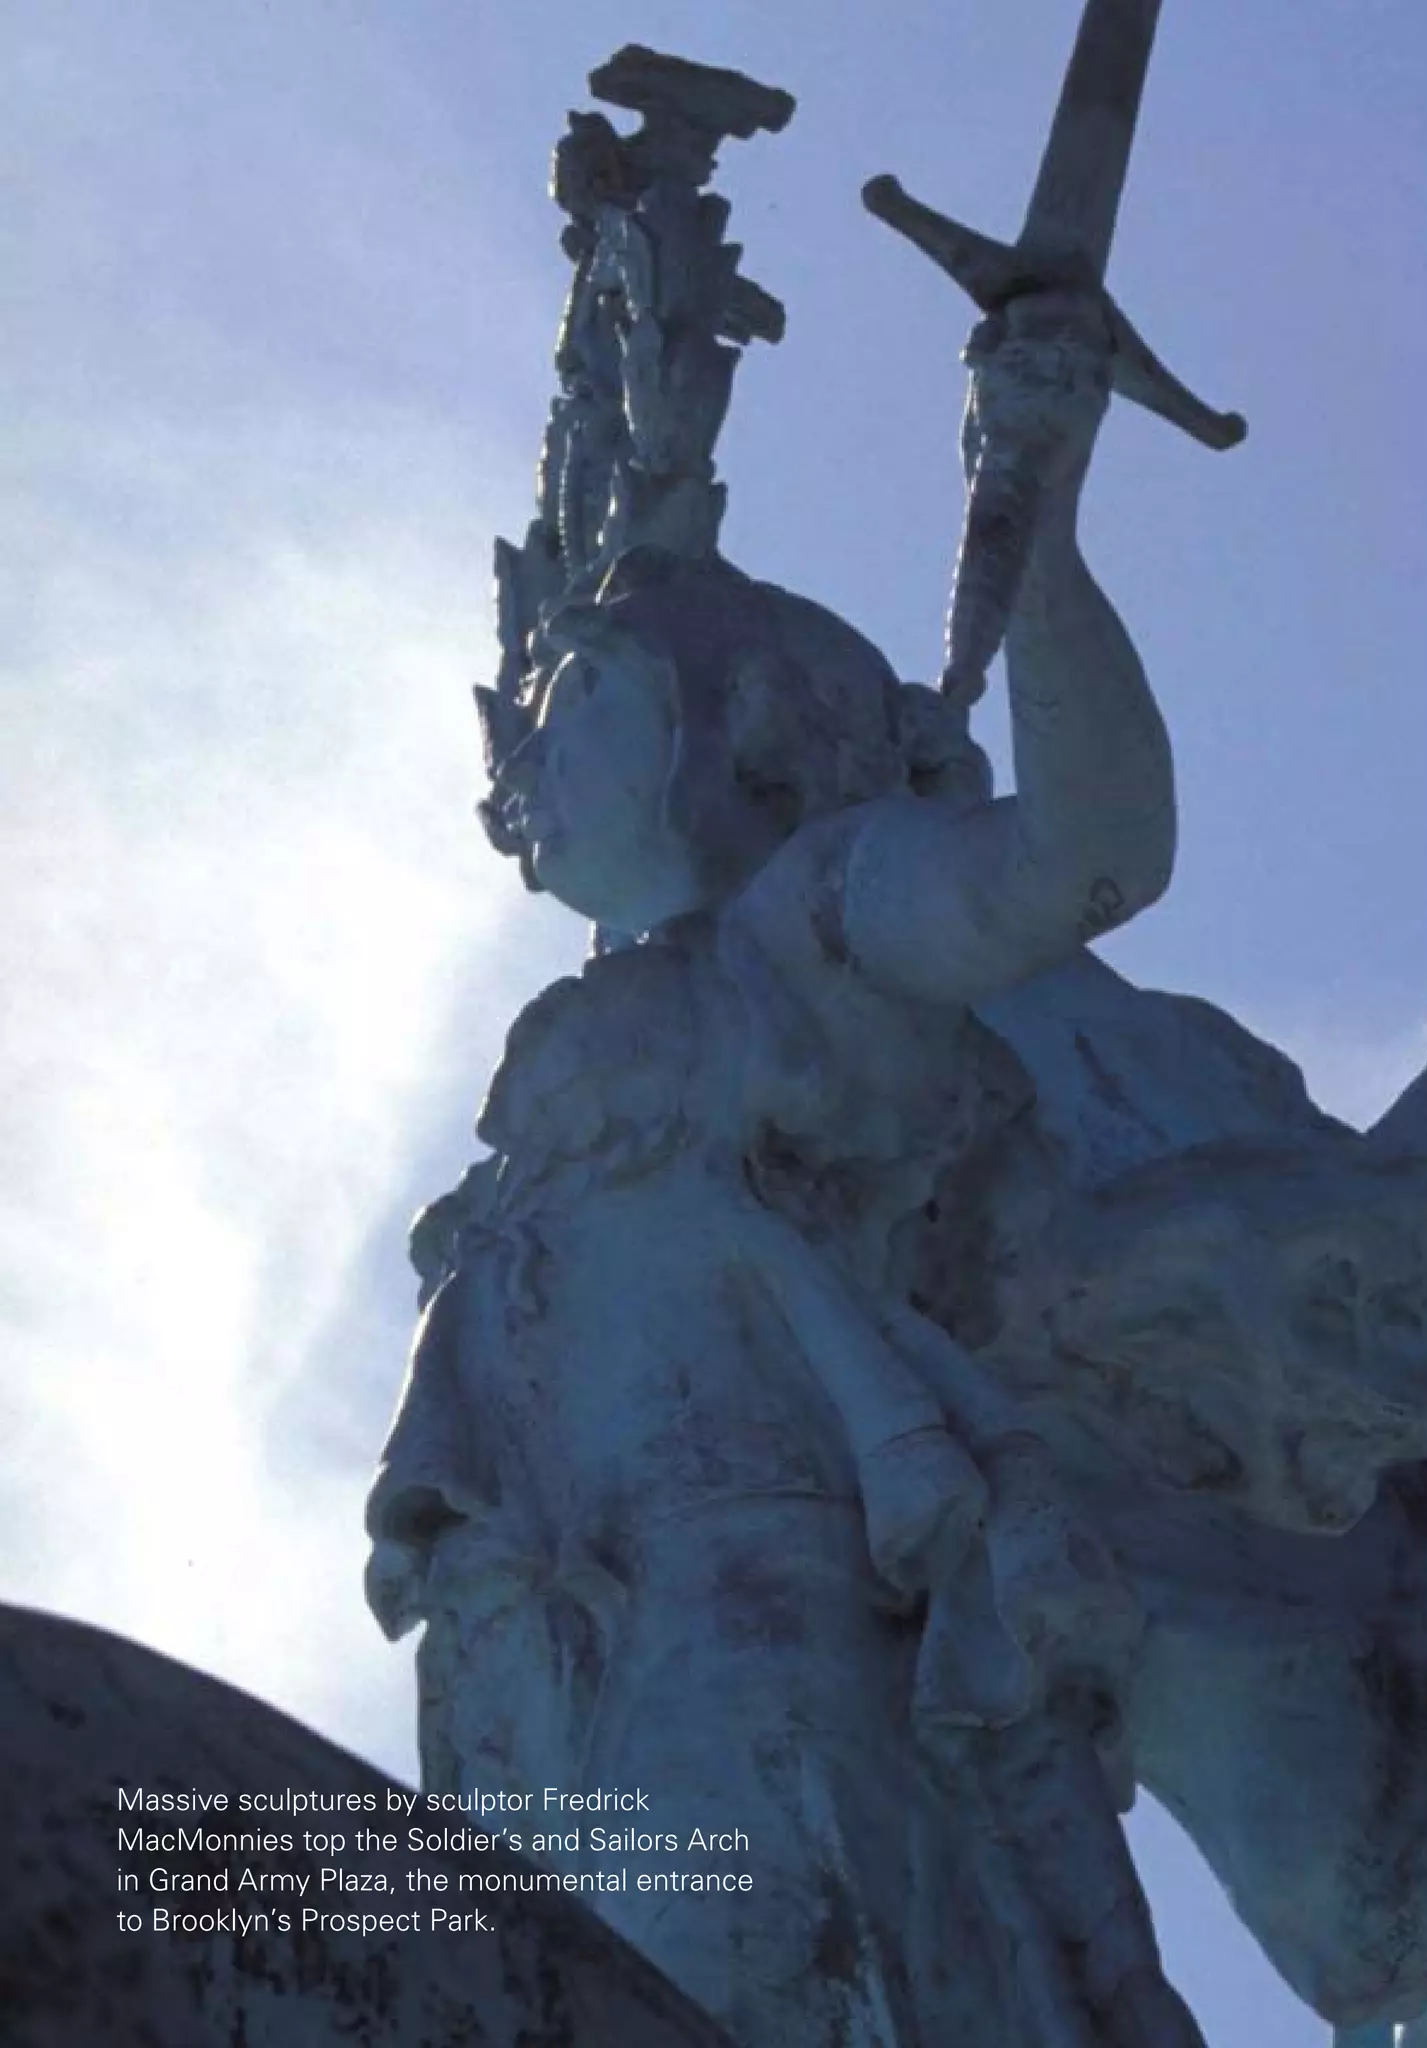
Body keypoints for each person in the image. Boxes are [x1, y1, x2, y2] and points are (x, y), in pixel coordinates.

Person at [368, 299, 1207, 2048]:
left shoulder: (807, 939)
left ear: (728, 725)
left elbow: (1090, 853)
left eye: (577, 688)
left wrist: (1035, 524)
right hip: (548, 1724)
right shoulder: (589, 1042)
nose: (521, 741)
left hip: (756, 1681)